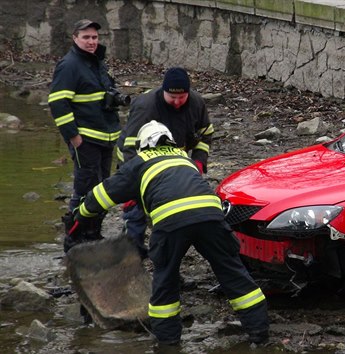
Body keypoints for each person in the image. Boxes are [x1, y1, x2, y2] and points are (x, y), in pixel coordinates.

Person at [74, 120, 269, 345]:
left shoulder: (140, 161)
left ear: (143, 144)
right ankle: (260, 334)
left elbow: (102, 195)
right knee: (232, 271)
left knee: (166, 279)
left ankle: (168, 343)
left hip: (171, 223)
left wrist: (80, 215)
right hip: (211, 217)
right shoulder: (183, 157)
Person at [116, 67, 214, 257]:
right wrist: (132, 185)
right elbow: (129, 148)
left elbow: (206, 134)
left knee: (169, 215)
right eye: (172, 98)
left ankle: (164, 257)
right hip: (139, 160)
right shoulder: (146, 106)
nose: (177, 103)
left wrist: (198, 162)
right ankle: (131, 257)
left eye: (182, 98)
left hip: (174, 163)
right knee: (135, 214)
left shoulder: (196, 103)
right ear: (163, 92)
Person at [48, 19, 122, 250]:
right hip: (86, 139)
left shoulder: (97, 61)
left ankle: (92, 233)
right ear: (75, 38)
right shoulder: (69, 65)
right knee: (85, 187)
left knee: (101, 188)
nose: (92, 42)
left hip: (105, 135)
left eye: (95, 37)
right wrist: (74, 137)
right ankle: (73, 237)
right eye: (86, 37)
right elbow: (58, 103)